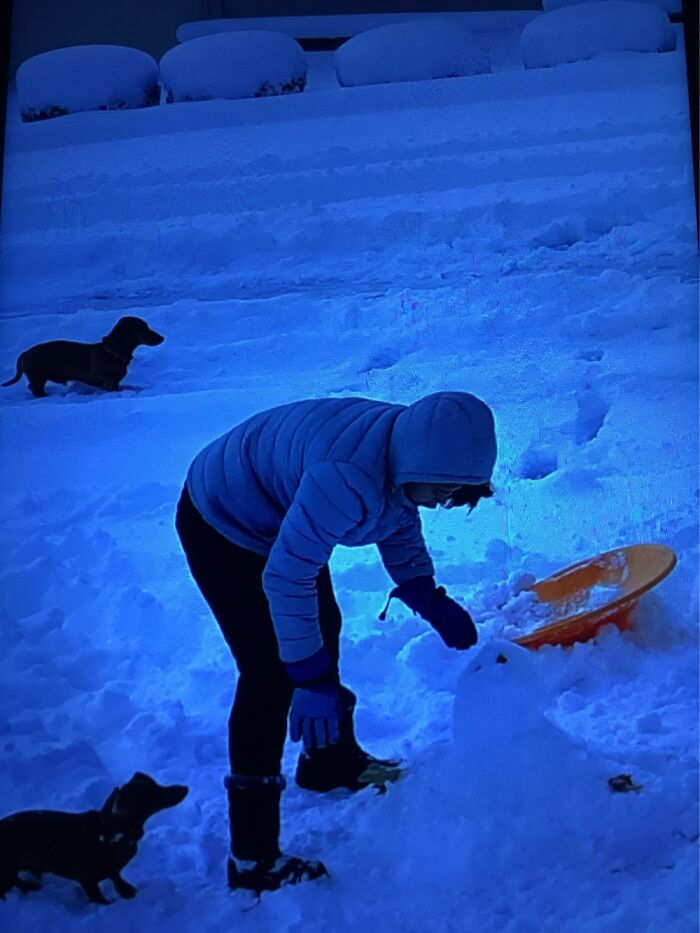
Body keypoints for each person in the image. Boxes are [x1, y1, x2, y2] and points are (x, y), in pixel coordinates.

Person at [175, 390, 497, 894]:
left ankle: (328, 762)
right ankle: (252, 859)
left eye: (458, 491)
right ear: (419, 462)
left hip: (282, 510)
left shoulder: (402, 452)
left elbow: (398, 517)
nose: (445, 502)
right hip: (224, 517)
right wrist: (309, 678)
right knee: (270, 674)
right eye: (443, 488)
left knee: (321, 627)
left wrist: (425, 595)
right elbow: (286, 577)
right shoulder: (346, 476)